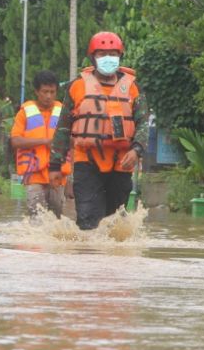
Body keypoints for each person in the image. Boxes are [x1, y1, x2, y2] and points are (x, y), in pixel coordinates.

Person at [49, 32, 149, 230]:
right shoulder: (76, 87)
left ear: (120, 56)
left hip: (121, 163)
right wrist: (55, 165)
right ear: (92, 57)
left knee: (114, 222)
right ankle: (89, 258)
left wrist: (136, 150)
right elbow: (63, 127)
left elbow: (144, 124)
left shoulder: (133, 88)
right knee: (88, 220)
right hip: (86, 161)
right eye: (102, 53)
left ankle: (110, 261)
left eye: (112, 53)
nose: (108, 58)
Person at [10, 70, 65, 220]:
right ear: (36, 91)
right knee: (37, 218)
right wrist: (45, 142)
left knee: (58, 219)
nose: (48, 96)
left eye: (52, 92)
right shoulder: (24, 113)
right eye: (45, 92)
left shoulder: (64, 112)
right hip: (33, 175)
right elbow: (15, 141)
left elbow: (74, 141)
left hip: (58, 176)